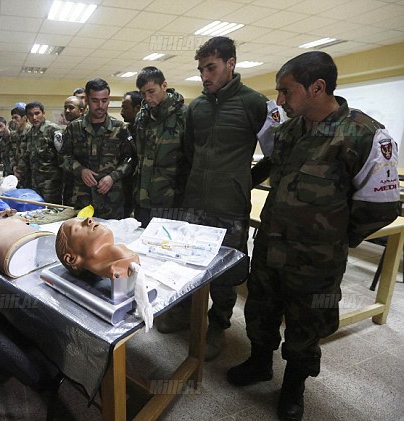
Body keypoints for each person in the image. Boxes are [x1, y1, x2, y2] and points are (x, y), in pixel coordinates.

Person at [228, 51, 400, 421]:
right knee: (260, 309)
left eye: (286, 91)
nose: (279, 100)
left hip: (317, 262)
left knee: (307, 325)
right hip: (271, 246)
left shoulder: (363, 135)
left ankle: (293, 387)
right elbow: (272, 165)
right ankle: (260, 363)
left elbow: (381, 208)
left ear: (317, 87)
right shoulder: (290, 130)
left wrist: (333, 238)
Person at [166, 37, 282, 361]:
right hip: (195, 204)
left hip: (230, 206)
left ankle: (217, 326)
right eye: (201, 69)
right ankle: (186, 313)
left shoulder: (255, 103)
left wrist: (245, 181)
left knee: (225, 273)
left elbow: (276, 154)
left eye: (211, 67)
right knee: (189, 264)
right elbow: (190, 152)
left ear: (231, 64)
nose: (205, 75)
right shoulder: (197, 108)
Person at [60, 78, 136, 219]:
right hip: (82, 199)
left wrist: (113, 177)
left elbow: (130, 159)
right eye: (95, 101)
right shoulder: (74, 128)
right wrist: (80, 170)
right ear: (87, 101)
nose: (100, 105)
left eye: (104, 100)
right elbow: (64, 156)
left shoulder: (120, 128)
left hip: (111, 200)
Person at [133, 66, 187, 227]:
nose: (147, 98)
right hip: (142, 198)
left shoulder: (184, 115)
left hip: (170, 200)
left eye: (151, 91)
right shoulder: (142, 116)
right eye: (143, 94)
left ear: (164, 86)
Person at [56, 217, 139, 280]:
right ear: (71, 259)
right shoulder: (118, 269)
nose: (89, 219)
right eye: (76, 229)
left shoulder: (126, 256)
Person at [16, 101, 64, 204]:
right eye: (30, 115)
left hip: (51, 183)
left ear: (43, 113)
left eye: (37, 113)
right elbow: (25, 156)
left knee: (53, 211)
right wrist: (18, 172)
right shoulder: (29, 133)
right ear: (27, 117)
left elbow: (63, 155)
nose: (34, 117)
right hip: (35, 182)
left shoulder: (54, 130)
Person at [120, 90, 142, 218]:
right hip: (126, 184)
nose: (122, 112)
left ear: (137, 108)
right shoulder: (124, 130)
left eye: (125, 108)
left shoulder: (147, 131)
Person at [61, 96, 85, 205]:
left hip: (83, 182)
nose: (67, 111)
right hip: (70, 180)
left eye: (71, 108)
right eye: (65, 108)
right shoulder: (69, 128)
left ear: (81, 110)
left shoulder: (84, 127)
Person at [8, 106, 30, 175]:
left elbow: (29, 154)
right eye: (12, 118)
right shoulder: (14, 135)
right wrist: (14, 167)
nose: (13, 120)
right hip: (17, 172)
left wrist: (19, 170)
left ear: (24, 118)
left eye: (16, 117)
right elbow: (11, 152)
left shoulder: (31, 132)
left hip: (29, 172)